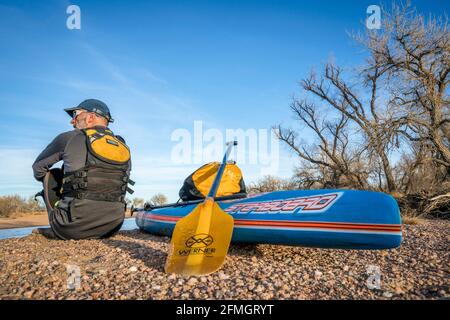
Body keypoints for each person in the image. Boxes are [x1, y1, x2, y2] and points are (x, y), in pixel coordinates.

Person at [32, 99, 133, 239]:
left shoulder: (68, 137)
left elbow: (38, 170)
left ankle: (60, 222)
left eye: (75, 115)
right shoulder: (121, 143)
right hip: (113, 226)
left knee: (52, 173)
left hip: (71, 228)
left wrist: (65, 182)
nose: (72, 121)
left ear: (90, 117)